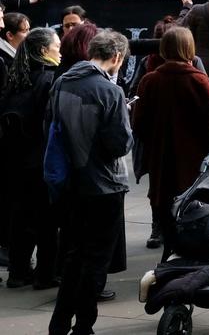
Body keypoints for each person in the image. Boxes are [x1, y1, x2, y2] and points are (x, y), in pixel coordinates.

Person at [46, 29, 132, 335]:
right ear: (117, 57)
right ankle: (83, 324)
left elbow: (51, 127)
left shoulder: (62, 82)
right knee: (96, 260)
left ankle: (60, 321)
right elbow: (119, 144)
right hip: (103, 185)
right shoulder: (110, 92)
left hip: (70, 181)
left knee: (74, 255)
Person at [131, 27, 209, 253]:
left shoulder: (150, 81)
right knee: (193, 211)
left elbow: (139, 125)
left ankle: (170, 253)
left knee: (165, 212)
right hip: (194, 163)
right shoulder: (199, 81)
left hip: (161, 160)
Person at [1, 27, 61, 289]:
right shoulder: (49, 80)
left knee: (20, 217)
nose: (60, 51)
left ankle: (18, 271)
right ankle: (46, 274)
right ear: (43, 51)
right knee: (46, 220)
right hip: (40, 160)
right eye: (56, 46)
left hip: (14, 160)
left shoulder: (16, 78)